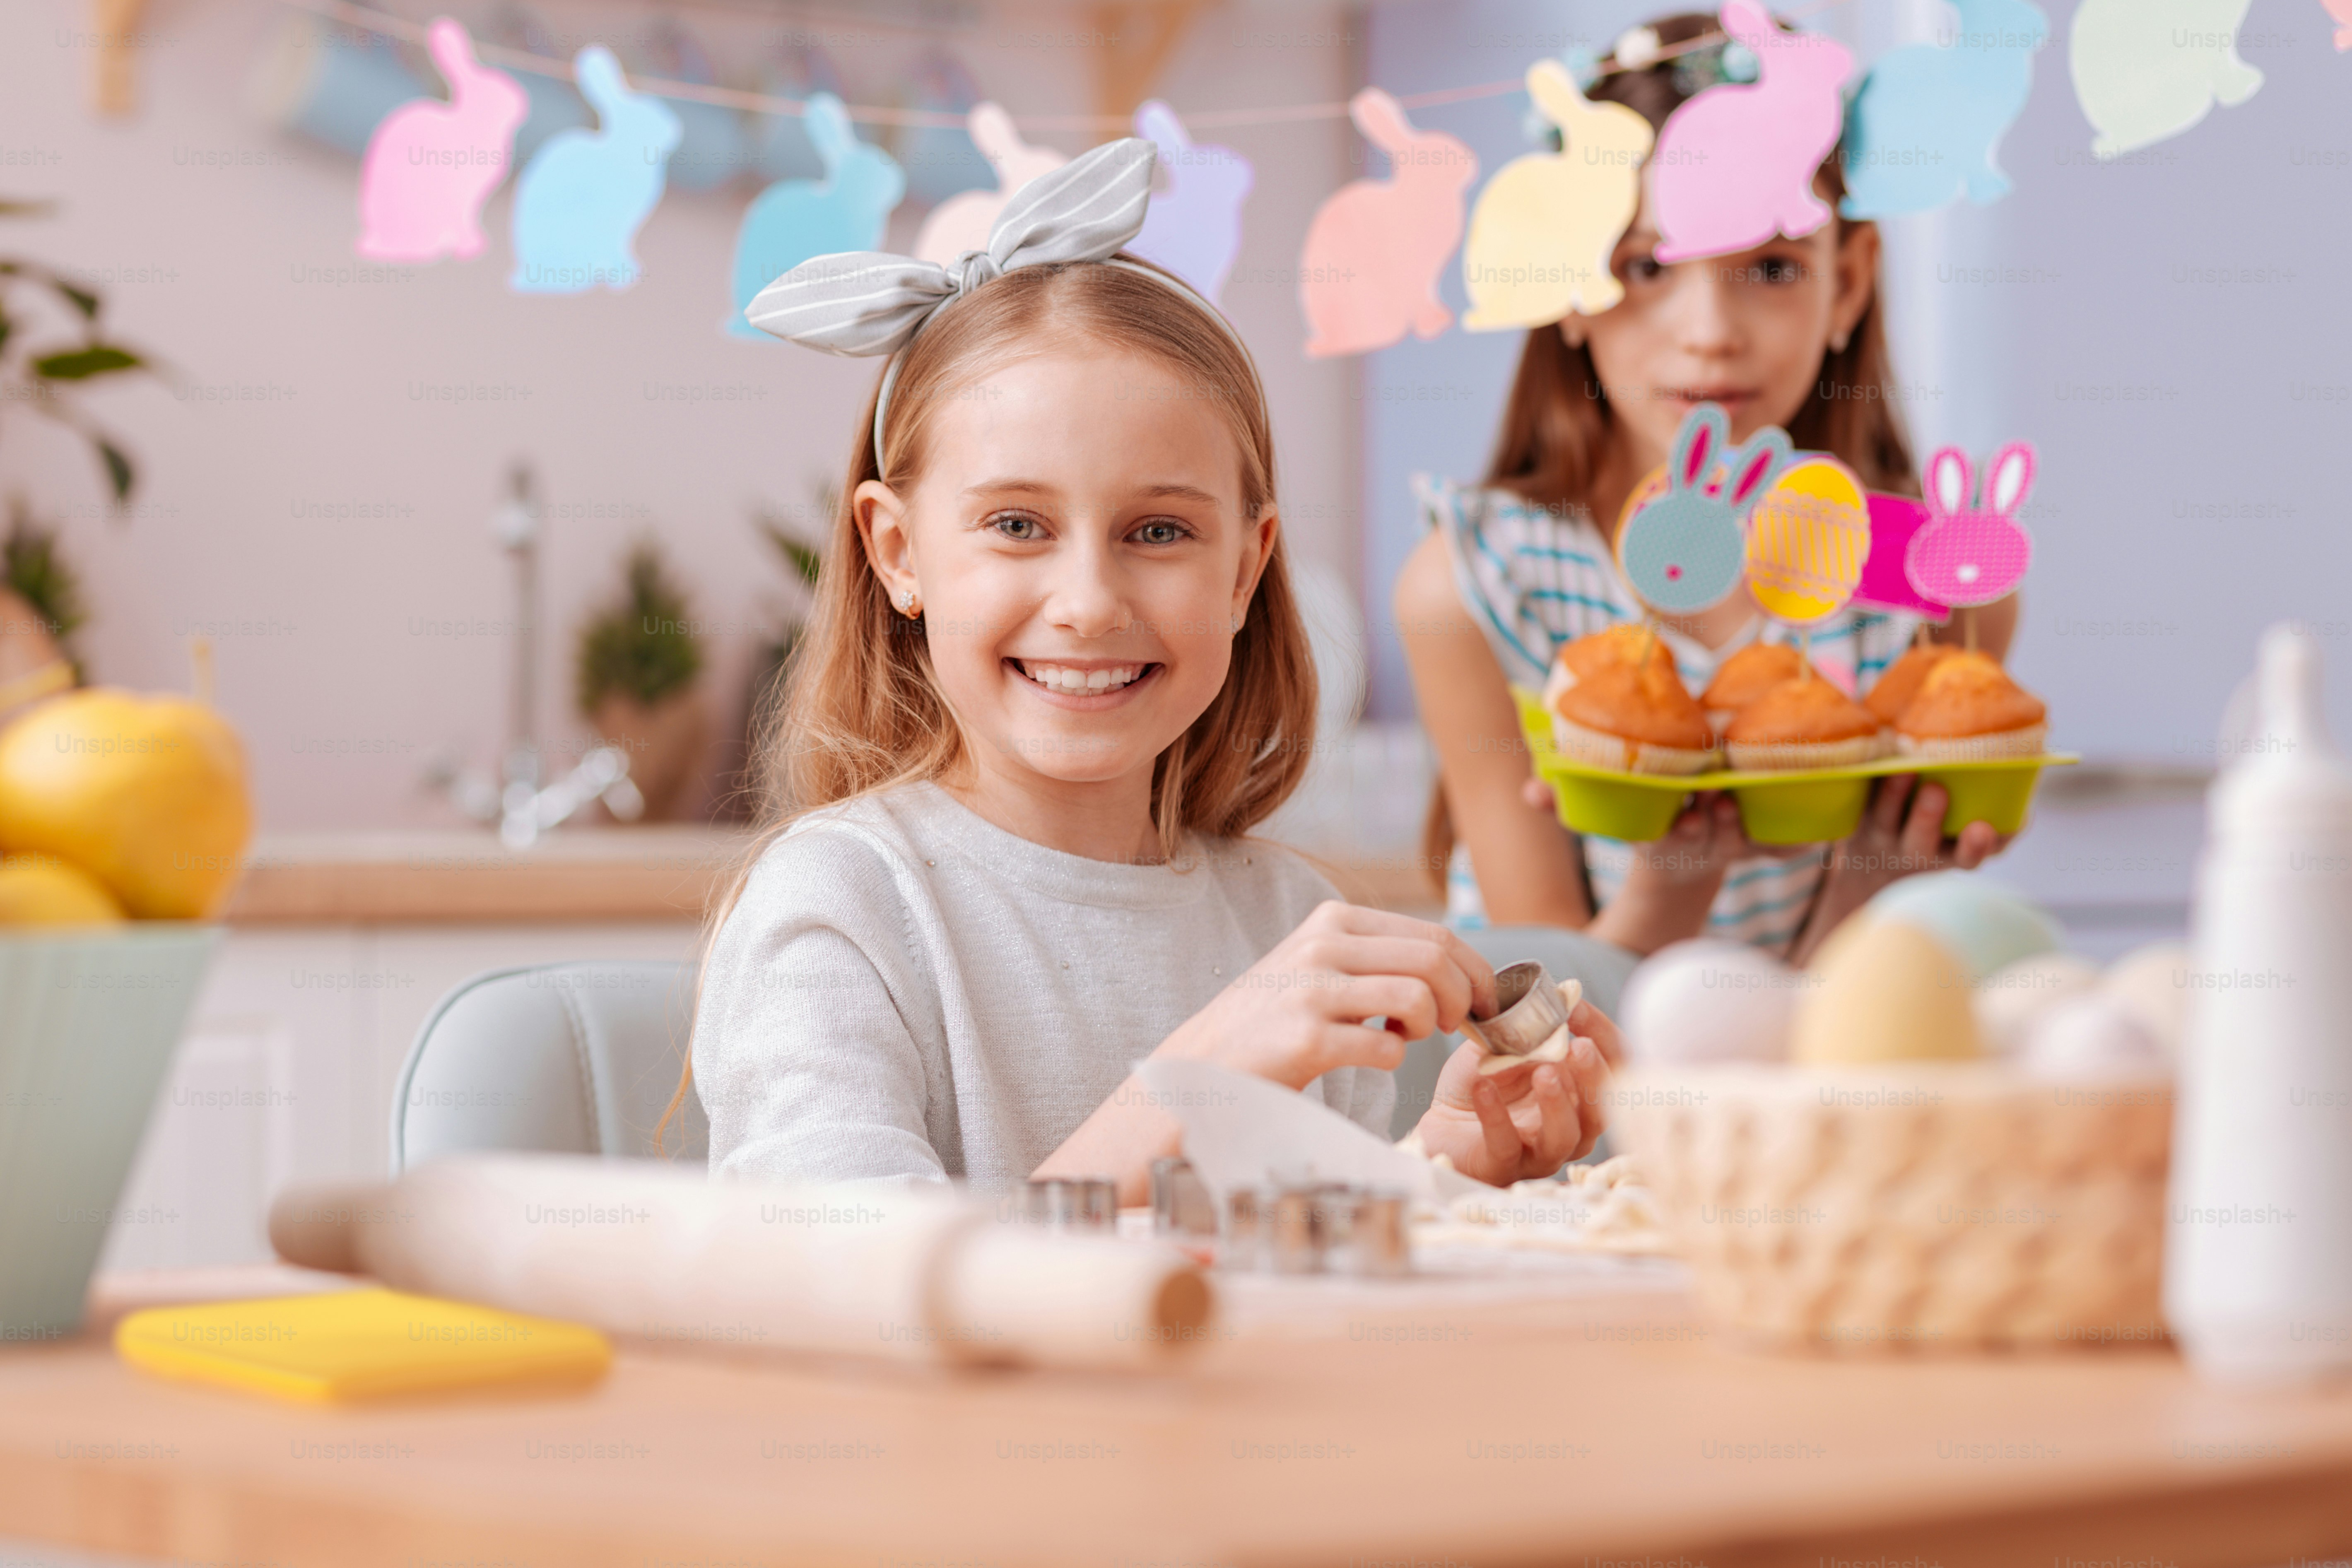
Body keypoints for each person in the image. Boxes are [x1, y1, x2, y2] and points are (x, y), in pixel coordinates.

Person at [679, 141, 1622, 1200]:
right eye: (1017, 524)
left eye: (1160, 529)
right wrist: (1206, 1079)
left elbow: (1276, 1301)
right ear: (897, 553)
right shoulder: (842, 906)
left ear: (1245, 569)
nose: (1087, 601)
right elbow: (852, 1295)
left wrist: (1444, 1169)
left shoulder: (1282, 920)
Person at [1394, 12, 2017, 968]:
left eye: (1770, 266)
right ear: (1568, 285)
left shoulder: (1934, 581)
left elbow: (1840, 1035)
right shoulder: (1473, 587)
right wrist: (1669, 889)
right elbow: (1550, 1021)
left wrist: (1872, 884)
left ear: (1844, 284)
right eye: (1645, 267)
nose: (1708, 330)